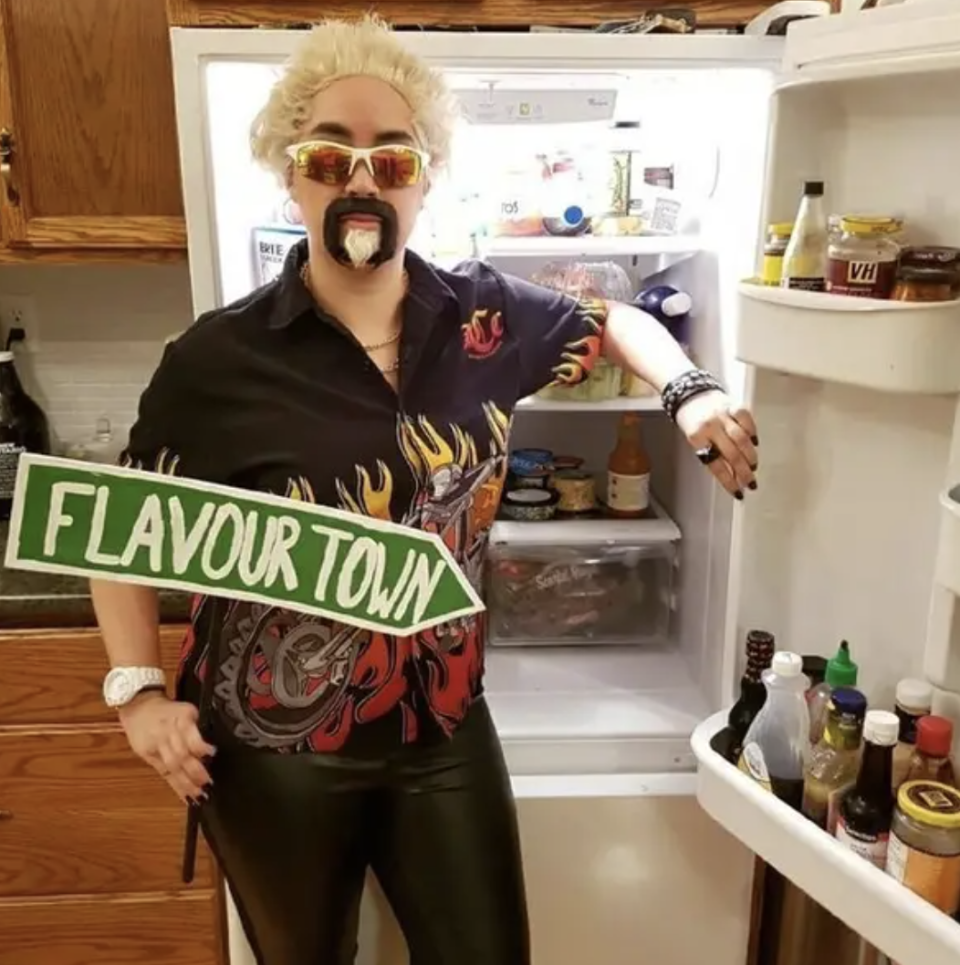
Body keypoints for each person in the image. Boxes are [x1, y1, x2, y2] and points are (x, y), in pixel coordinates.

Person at [91, 15, 759, 965]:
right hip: (268, 753)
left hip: (442, 727)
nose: (361, 179)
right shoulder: (217, 359)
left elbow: (613, 321)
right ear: (290, 174)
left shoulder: (486, 318)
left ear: (424, 181)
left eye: (392, 161)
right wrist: (138, 696)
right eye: (331, 156)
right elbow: (117, 528)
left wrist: (692, 393)